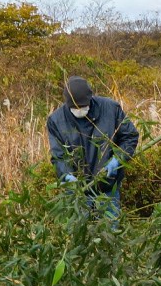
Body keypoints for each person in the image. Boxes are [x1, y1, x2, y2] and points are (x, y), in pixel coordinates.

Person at [47, 76, 139, 220]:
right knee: (81, 237)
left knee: (109, 233)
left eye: (82, 106)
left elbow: (130, 136)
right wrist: (66, 175)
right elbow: (59, 155)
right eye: (75, 108)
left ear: (91, 97)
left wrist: (118, 159)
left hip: (108, 188)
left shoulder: (111, 109)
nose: (80, 110)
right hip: (78, 193)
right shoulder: (56, 121)